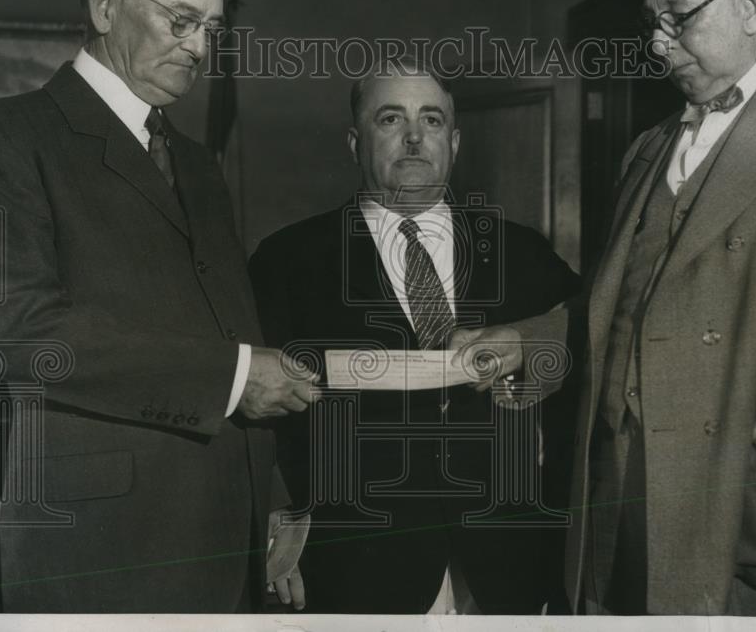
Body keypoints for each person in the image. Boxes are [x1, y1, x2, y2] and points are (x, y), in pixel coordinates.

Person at [450, 0, 756, 616]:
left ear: (751, 4)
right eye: (651, 25)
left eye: (678, 17)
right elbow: (627, 306)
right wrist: (527, 341)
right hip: (622, 516)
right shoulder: (647, 147)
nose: (659, 44)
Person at [0, 0, 315, 613]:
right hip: (102, 547)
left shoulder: (198, 165)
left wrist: (268, 496)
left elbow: (231, 330)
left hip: (230, 537)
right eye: (182, 20)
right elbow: (20, 333)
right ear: (105, 7)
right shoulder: (1, 135)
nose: (200, 48)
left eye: (211, 29)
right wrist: (235, 378)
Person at [247, 56, 581, 613]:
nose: (413, 137)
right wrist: (273, 512)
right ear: (354, 142)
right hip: (355, 566)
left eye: (431, 119)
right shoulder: (287, 261)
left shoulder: (521, 252)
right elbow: (252, 413)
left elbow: (590, 351)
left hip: (509, 564)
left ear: (455, 141)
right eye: (390, 119)